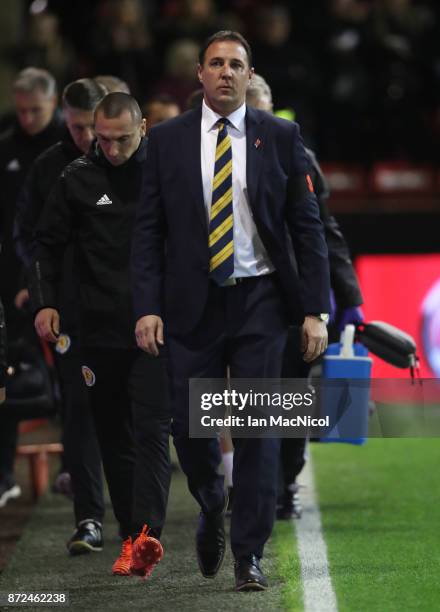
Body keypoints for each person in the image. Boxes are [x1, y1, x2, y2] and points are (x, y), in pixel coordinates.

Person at [131, 31, 330, 592]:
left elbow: (307, 230)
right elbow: (147, 231)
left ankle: (249, 553)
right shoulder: (165, 140)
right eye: (215, 63)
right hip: (189, 303)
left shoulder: (281, 136)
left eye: (235, 65)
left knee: (258, 429)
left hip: (261, 302)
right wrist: (146, 307)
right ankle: (211, 499)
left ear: (249, 74)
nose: (224, 72)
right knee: (190, 429)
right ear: (198, 73)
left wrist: (314, 310)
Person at [29, 93, 170, 578]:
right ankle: (134, 539)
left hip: (153, 326)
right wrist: (46, 300)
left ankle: (149, 533)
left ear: (144, 128)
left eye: (121, 140)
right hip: (98, 329)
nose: (109, 149)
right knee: (115, 437)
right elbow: (45, 244)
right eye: (101, 139)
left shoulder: (164, 173)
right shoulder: (76, 179)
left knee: (152, 430)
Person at [246, 73, 364, 520]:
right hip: (238, 296)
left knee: (291, 396)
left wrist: (346, 295)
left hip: (292, 298)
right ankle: (252, 480)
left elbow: (324, 232)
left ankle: (284, 482)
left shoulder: (299, 158)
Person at [15, 78, 108, 554]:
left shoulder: (131, 164)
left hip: (125, 311)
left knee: (136, 416)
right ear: (64, 119)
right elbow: (30, 238)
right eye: (76, 127)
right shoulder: (48, 168)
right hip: (72, 312)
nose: (86, 137)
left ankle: (139, 518)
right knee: (79, 409)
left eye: (92, 126)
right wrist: (40, 293)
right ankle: (89, 517)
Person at [0, 67, 64, 507]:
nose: (26, 118)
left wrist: (40, 285)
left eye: (35, 110)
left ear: (54, 103)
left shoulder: (70, 146)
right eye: (21, 110)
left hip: (61, 281)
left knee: (73, 380)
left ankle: (77, 471)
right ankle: (4, 474)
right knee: (5, 379)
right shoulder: (5, 148)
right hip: (12, 281)